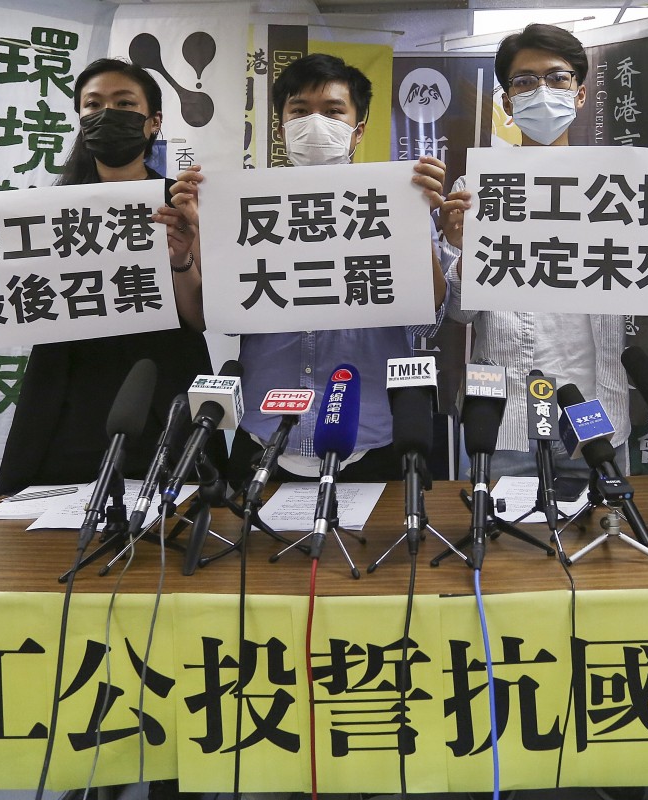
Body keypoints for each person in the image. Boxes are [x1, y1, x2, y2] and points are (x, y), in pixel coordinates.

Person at [0, 57, 222, 498]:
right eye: (93, 104)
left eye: (125, 103)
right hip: (65, 390)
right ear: (81, 119)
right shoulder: (39, 213)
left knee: (180, 523)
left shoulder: (181, 205)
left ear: (154, 121)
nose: (108, 113)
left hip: (165, 382)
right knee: (43, 539)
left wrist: (180, 257)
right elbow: (6, 301)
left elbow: (199, 318)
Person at [440, 23, 648, 478]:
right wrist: (464, 251)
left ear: (580, 94)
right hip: (506, 423)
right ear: (508, 104)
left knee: (605, 541)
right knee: (508, 549)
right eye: (524, 81)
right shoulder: (478, 190)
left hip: (599, 418)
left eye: (557, 78)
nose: (541, 90)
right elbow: (459, 315)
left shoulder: (624, 190)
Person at [168, 53, 449, 485]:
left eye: (333, 111)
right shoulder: (242, 208)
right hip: (265, 433)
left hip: (370, 436)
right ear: (282, 128)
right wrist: (190, 246)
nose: (315, 123)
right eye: (300, 111)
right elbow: (215, 316)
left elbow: (427, 319)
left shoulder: (397, 202)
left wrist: (415, 221)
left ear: (358, 130)